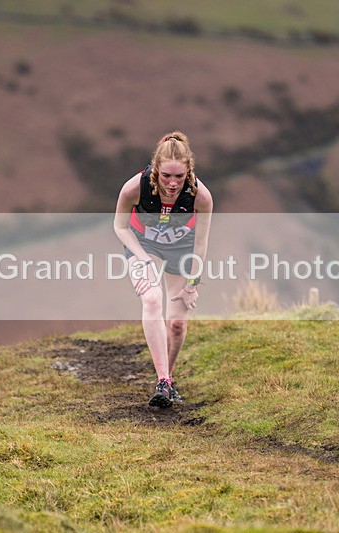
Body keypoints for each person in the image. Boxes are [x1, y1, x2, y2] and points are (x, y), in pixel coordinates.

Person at [113, 131, 213, 408]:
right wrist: (143, 258)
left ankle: (166, 379)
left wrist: (193, 283)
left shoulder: (201, 197)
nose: (172, 183)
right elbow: (120, 227)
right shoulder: (134, 187)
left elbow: (201, 245)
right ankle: (163, 381)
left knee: (178, 325)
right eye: (166, 175)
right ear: (156, 170)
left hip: (182, 250)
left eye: (179, 177)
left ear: (189, 172)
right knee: (152, 298)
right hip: (143, 244)